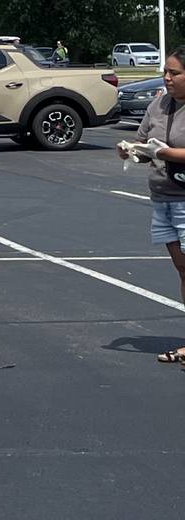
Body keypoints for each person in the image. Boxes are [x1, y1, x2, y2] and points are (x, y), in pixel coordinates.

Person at [116, 45, 185, 365]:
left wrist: (164, 153)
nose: (167, 78)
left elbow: (166, 151)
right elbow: (145, 145)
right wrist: (131, 149)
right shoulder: (158, 104)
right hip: (162, 198)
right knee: (183, 270)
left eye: (175, 73)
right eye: (166, 72)